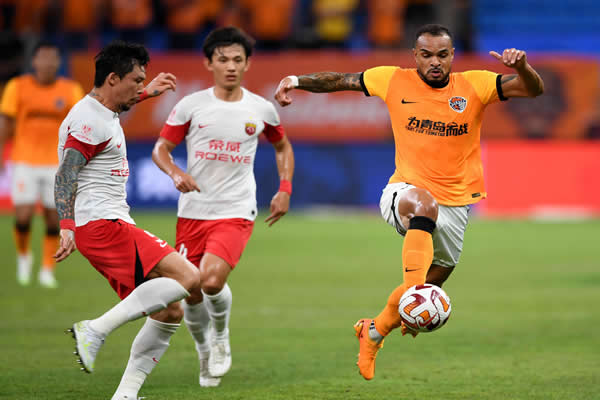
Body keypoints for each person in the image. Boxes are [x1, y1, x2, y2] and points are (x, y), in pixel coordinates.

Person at [274, 23, 544, 380]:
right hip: (405, 191)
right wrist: (295, 80)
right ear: (414, 55)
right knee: (423, 214)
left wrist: (522, 66)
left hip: (456, 203)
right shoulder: (392, 80)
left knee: (436, 279)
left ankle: (373, 331)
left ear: (453, 55)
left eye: (442, 55)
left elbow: (533, 89)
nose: (435, 62)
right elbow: (339, 80)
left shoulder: (475, 85)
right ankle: (411, 298)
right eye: (427, 55)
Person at [54, 40, 201, 400]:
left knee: (170, 309)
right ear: (112, 78)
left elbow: (123, 101)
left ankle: (125, 395)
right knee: (188, 276)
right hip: (101, 225)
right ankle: (95, 329)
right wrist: (67, 226)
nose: (140, 87)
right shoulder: (89, 121)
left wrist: (148, 92)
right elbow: (66, 174)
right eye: (136, 80)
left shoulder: (103, 109)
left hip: (107, 224)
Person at [150, 26, 294, 387]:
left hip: (235, 209)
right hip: (193, 211)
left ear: (247, 64)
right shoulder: (191, 105)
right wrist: (175, 173)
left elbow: (282, 146)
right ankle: (204, 353)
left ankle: (221, 336)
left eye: (237, 60)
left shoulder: (261, 108)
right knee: (191, 290)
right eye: (223, 59)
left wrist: (285, 188)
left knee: (211, 280)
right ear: (208, 63)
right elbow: (161, 149)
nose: (231, 66)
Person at [0, 40, 84, 288]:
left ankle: (47, 269)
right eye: (43, 58)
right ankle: (23, 256)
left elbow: (80, 125)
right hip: (24, 160)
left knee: (52, 218)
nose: (47, 63)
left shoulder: (71, 89)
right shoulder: (17, 86)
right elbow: (5, 121)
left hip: (57, 164)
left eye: (52, 58)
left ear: (58, 63)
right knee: (23, 215)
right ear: (34, 61)